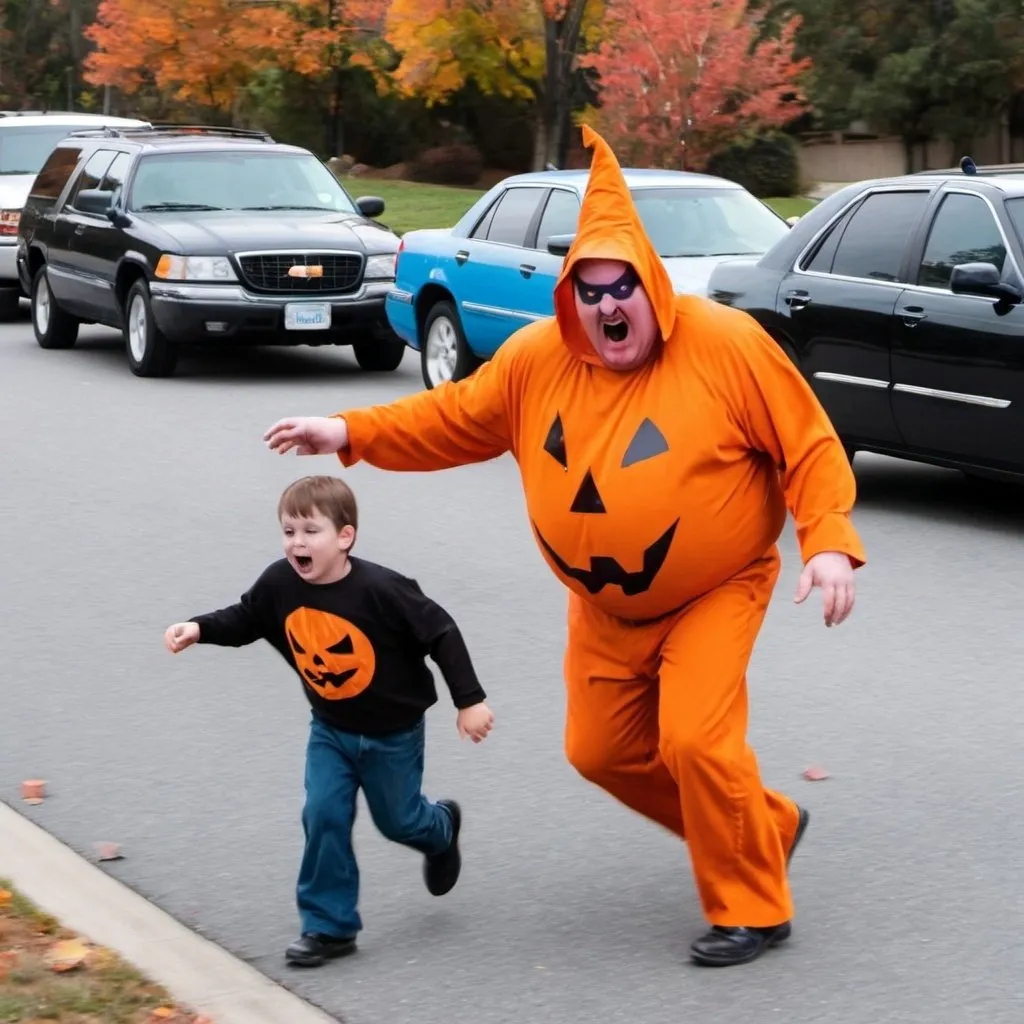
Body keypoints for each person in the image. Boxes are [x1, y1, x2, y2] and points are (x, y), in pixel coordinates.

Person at [262, 125, 866, 968]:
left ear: (652, 288)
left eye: (624, 287)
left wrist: (829, 542)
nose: (609, 305)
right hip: (603, 603)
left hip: (714, 587)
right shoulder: (536, 361)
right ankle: (761, 824)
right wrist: (347, 430)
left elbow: (809, 446)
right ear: (571, 297)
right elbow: (451, 418)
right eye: (590, 290)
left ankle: (753, 905)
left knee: (695, 741)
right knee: (599, 752)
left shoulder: (727, 349)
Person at [163, 474, 494, 968]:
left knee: (398, 821)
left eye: (310, 531)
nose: (297, 542)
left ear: (345, 537)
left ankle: (440, 829)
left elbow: (441, 632)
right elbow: (246, 618)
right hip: (331, 731)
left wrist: (469, 701)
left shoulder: (383, 590)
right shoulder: (279, 583)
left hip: (393, 735)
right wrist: (199, 628)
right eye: (289, 530)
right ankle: (329, 926)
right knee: (322, 815)